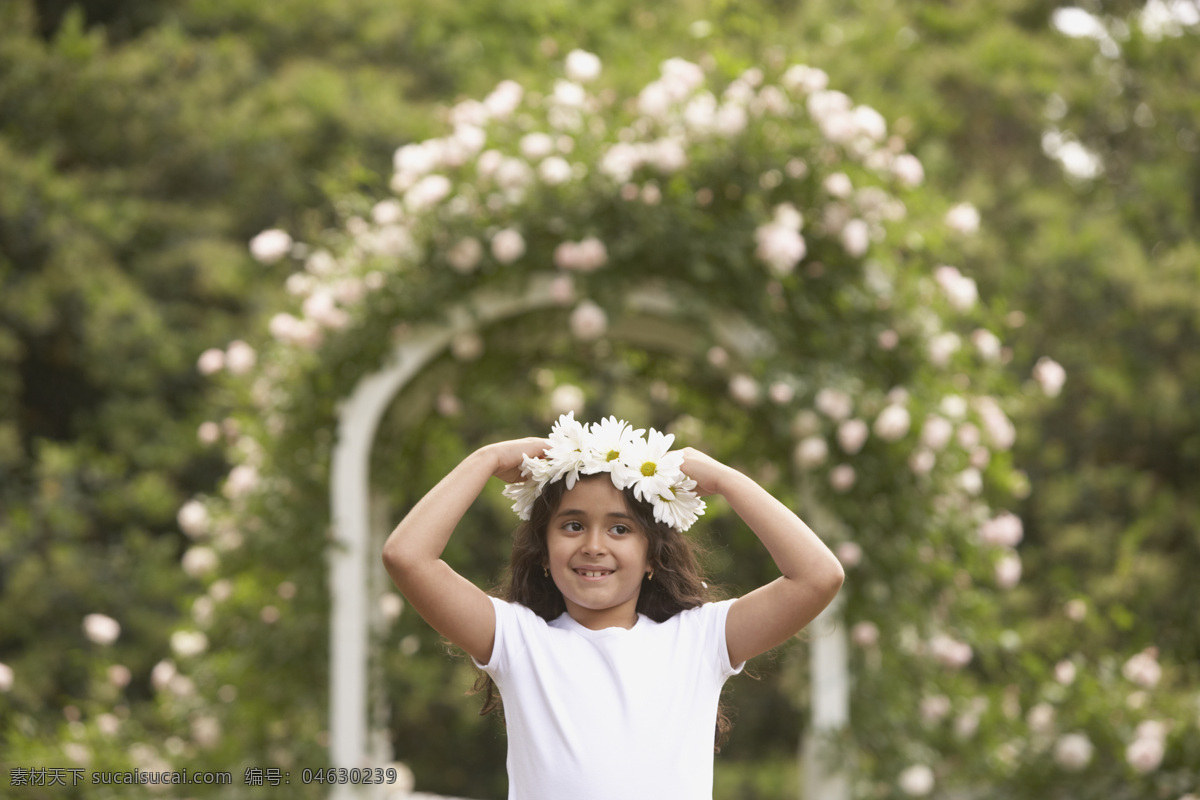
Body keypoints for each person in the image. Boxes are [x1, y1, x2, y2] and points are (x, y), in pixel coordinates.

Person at [382, 413, 844, 800]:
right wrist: (487, 459)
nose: (594, 546)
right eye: (572, 525)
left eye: (620, 529)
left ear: (651, 557)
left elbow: (818, 577)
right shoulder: (517, 638)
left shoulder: (701, 638)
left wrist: (725, 480)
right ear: (543, 554)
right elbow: (407, 556)